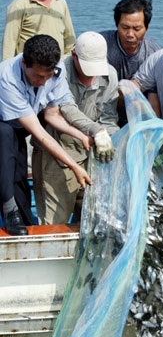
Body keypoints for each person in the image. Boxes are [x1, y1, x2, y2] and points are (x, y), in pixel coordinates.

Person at [0, 34, 93, 236]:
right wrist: (75, 166)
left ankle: (23, 218)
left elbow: (52, 114)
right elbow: (39, 134)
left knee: (19, 175)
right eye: (38, 76)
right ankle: (9, 210)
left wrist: (82, 135)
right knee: (5, 140)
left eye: (47, 76)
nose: (43, 82)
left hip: (19, 123)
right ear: (25, 63)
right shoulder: (7, 77)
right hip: (5, 126)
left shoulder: (55, 70)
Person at [32, 31, 118, 225]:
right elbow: (66, 109)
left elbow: (109, 118)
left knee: (91, 222)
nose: (91, 74)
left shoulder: (110, 75)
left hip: (91, 155)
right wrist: (96, 130)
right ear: (73, 55)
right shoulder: (57, 72)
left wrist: (109, 138)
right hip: (55, 154)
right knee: (55, 222)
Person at [100, 0, 160, 126]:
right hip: (101, 113)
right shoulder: (101, 44)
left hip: (137, 115)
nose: (130, 34)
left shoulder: (153, 52)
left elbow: (154, 95)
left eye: (137, 29)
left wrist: (155, 126)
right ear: (117, 25)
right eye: (125, 28)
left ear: (146, 28)